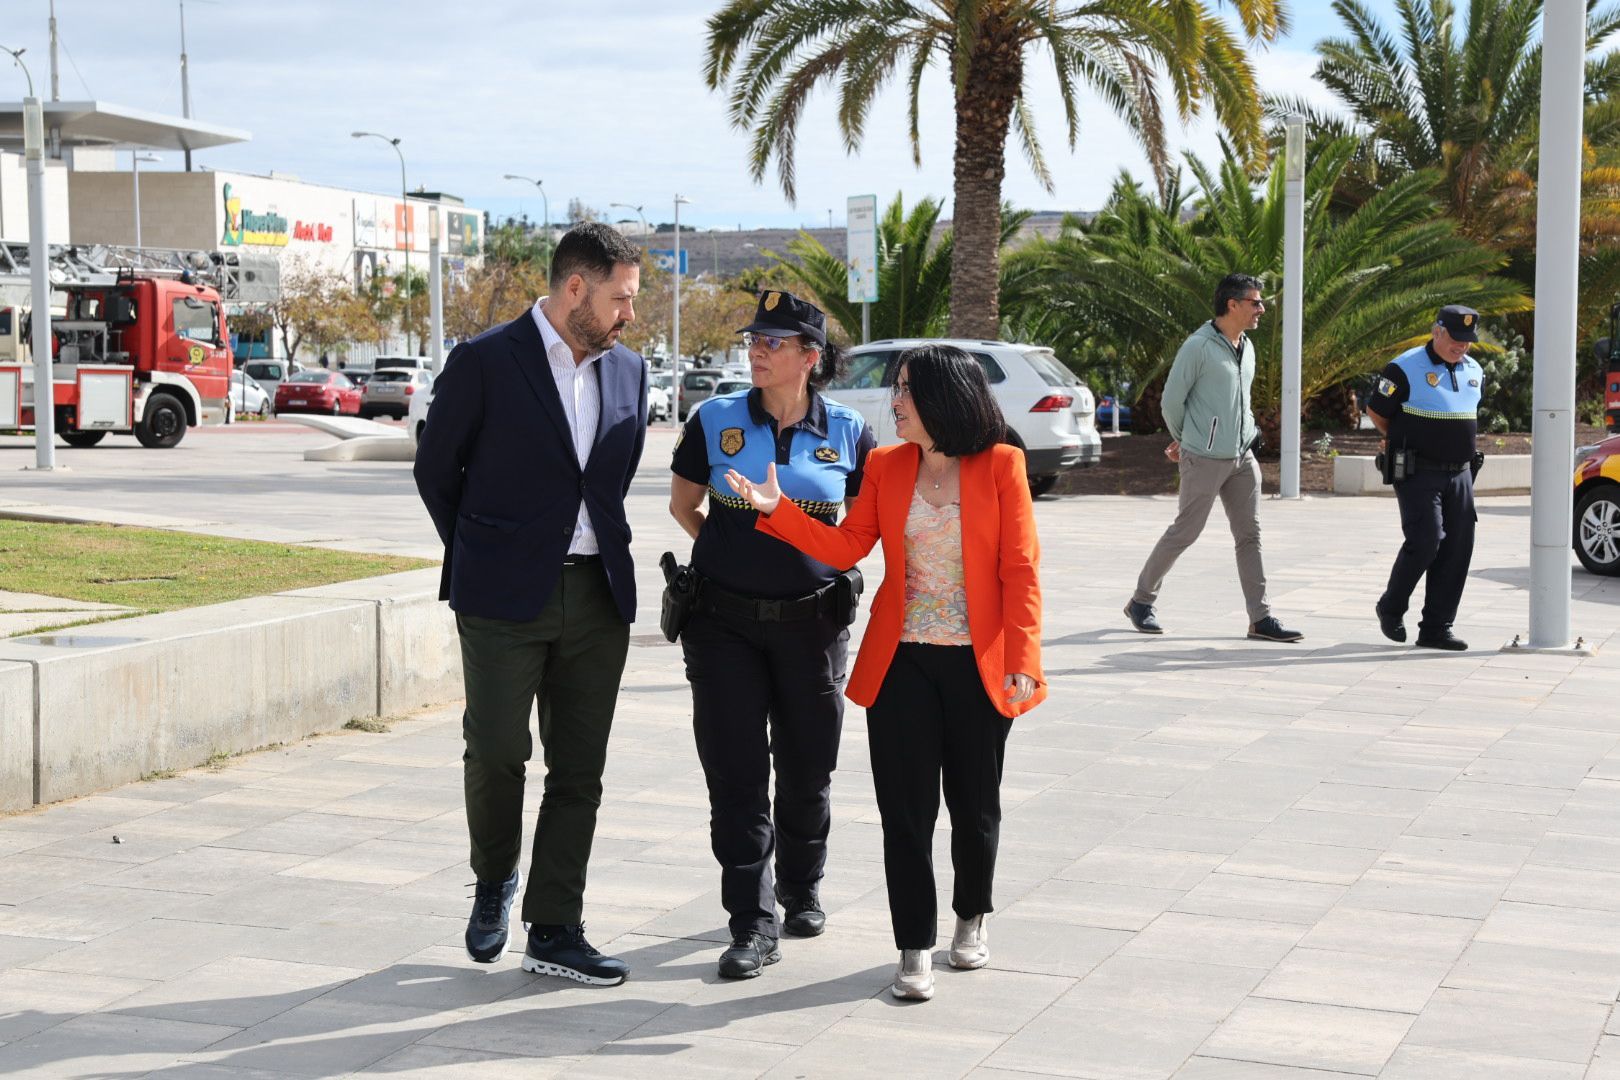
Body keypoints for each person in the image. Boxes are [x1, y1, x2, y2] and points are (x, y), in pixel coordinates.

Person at [723, 343, 1045, 1003]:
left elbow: (1020, 572)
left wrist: (1023, 662)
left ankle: (970, 915)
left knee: (975, 808)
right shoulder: (885, 465)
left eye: (905, 391)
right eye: (895, 390)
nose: (893, 403)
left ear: (945, 400)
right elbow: (848, 546)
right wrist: (775, 511)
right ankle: (913, 948)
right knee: (905, 813)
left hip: (978, 666)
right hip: (900, 664)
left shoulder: (1001, 465)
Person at [413, 222, 648, 986]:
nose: (629, 315)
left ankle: (554, 926)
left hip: (597, 594)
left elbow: (608, 483)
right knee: (497, 751)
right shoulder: (484, 361)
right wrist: (487, 547)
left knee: (580, 769)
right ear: (575, 288)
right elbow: (435, 470)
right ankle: (493, 882)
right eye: (621, 298)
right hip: (501, 595)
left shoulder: (630, 373)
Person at [669, 290, 876, 979]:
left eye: (773, 342)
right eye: (754, 340)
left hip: (812, 627)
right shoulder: (716, 418)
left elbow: (860, 530)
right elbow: (683, 504)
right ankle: (751, 924)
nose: (756, 351)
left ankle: (802, 885)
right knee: (735, 776)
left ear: (810, 358)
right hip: (722, 627)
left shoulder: (847, 430)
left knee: (808, 766)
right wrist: (730, 559)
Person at [1123, 273, 1303, 643]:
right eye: (1255, 302)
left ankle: (1260, 618)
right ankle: (1141, 601)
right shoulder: (1198, 346)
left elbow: (1243, 400)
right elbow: (1172, 400)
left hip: (1242, 457)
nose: (1262, 309)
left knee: (1249, 535)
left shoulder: (1247, 346)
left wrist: (1248, 435)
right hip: (1203, 457)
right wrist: (1185, 439)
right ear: (1232, 305)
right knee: (1186, 531)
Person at [1366, 305, 1486, 650]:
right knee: (1427, 540)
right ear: (1437, 332)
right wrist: (1403, 438)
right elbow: (1377, 410)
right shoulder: (1404, 367)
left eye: (1467, 340)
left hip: (1461, 473)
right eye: (1455, 338)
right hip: (1419, 470)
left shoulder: (1474, 369)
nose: (1461, 346)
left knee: (1458, 547)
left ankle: (1437, 627)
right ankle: (1391, 607)